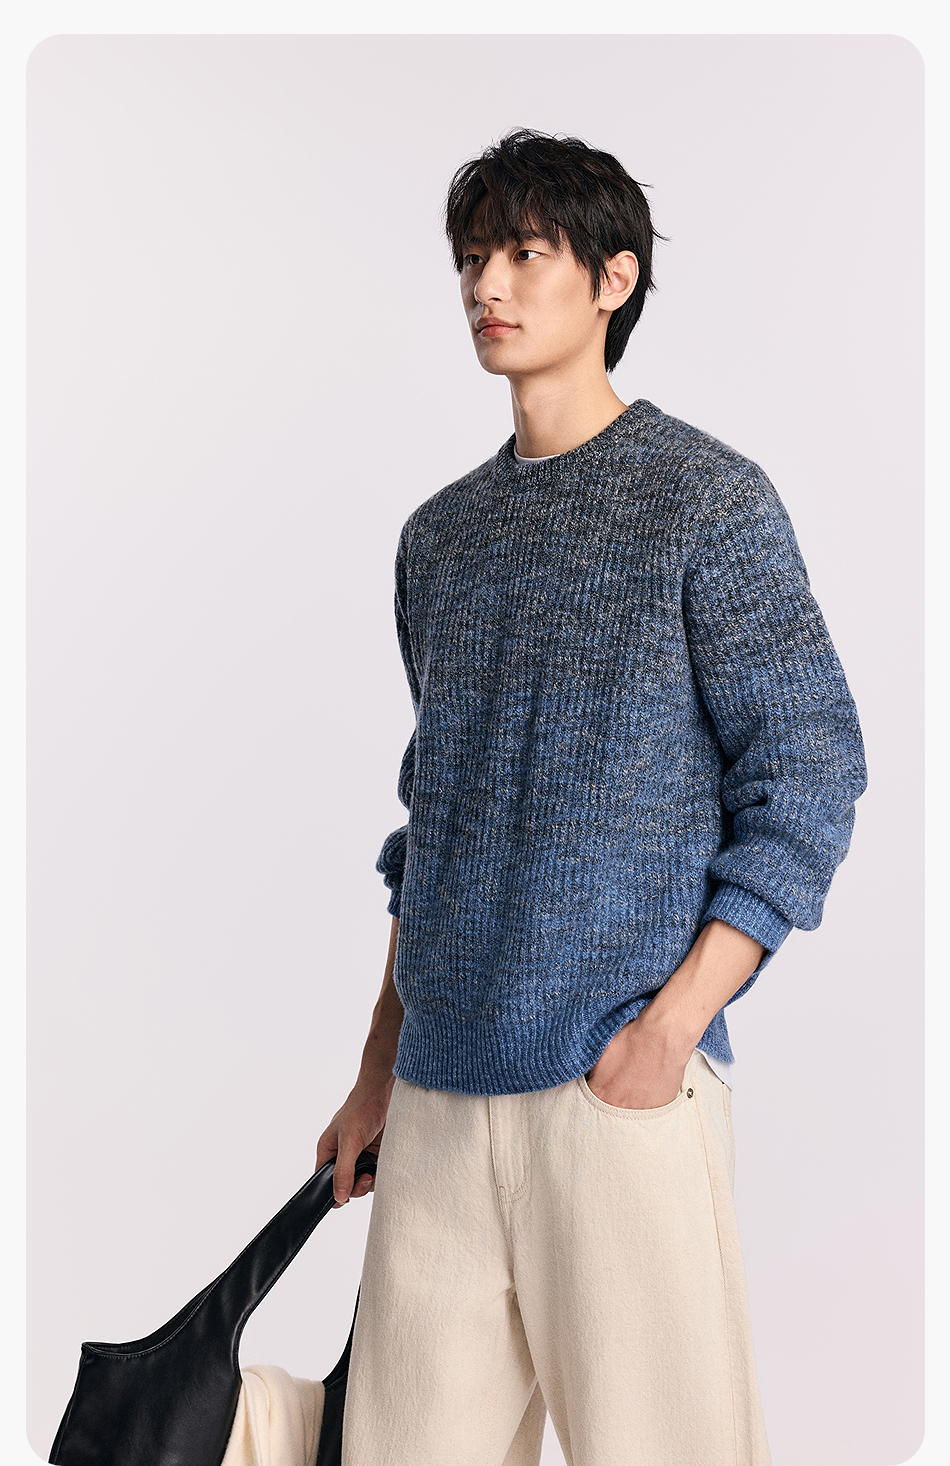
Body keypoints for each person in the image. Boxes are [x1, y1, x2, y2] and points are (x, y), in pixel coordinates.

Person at [316, 127, 867, 1466]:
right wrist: (377, 1072)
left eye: (524, 252)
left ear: (613, 278)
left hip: (614, 1090)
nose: (486, 286)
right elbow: (433, 825)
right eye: (473, 258)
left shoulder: (706, 502)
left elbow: (808, 769)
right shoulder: (440, 538)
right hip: (438, 1104)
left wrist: (670, 1031)